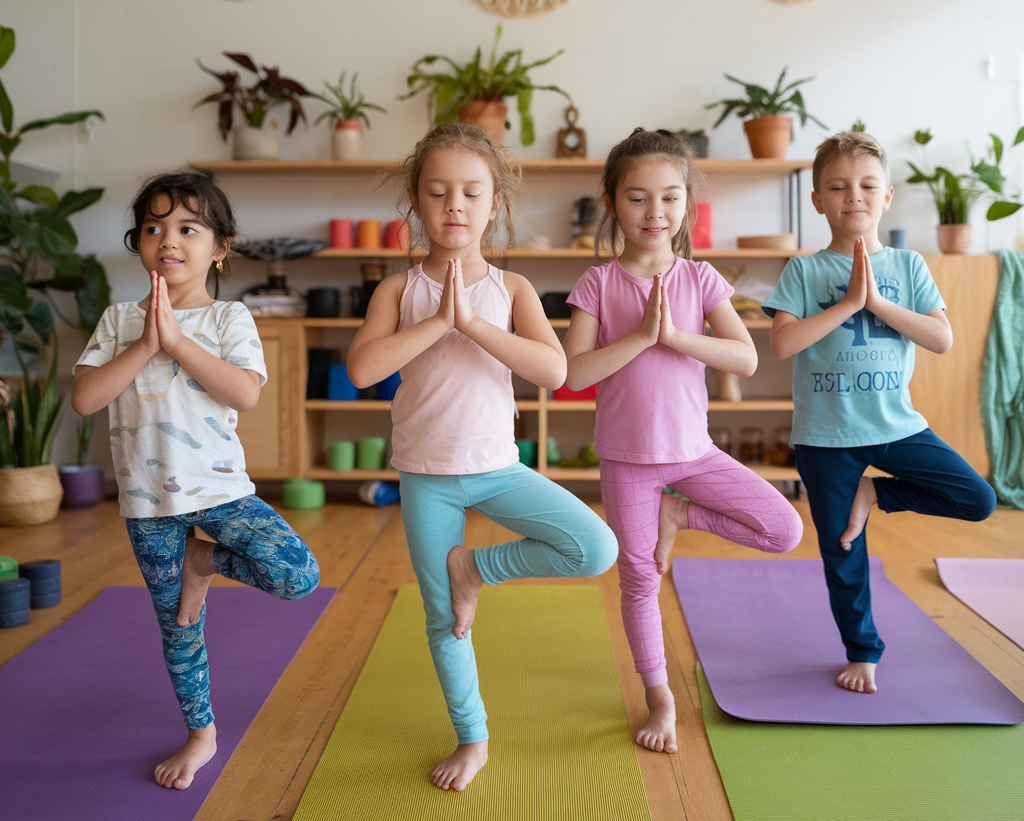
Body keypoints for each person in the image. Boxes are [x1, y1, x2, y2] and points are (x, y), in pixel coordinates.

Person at [346, 123, 617, 792]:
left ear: (493, 203)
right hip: (426, 477)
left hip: (498, 468)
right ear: (416, 203)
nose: (454, 206)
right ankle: (473, 737)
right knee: (444, 621)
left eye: (471, 192)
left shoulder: (512, 288)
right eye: (437, 193)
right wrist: (438, 320)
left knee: (595, 546)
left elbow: (555, 370)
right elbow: (361, 368)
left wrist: (471, 321)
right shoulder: (397, 290)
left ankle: (477, 569)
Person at [71, 170, 320, 790]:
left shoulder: (230, 318)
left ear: (220, 247)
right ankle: (201, 733)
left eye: (188, 227)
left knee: (297, 574)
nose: (168, 240)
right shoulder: (119, 319)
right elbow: (84, 398)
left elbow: (246, 393)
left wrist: (178, 343)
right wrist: (147, 343)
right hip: (148, 506)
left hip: (221, 493)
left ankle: (202, 561)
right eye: (153, 228)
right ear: (139, 242)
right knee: (178, 629)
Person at [563, 128, 802, 754]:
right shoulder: (596, 283)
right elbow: (570, 376)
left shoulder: (701, 279)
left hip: (695, 454)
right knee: (640, 579)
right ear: (613, 204)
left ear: (686, 205)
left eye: (669, 198)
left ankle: (682, 511)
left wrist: (674, 336)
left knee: (784, 531)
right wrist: (641, 336)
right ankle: (659, 695)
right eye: (638, 198)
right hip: (625, 461)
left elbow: (745, 358)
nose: (655, 212)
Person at [763, 132, 996, 695]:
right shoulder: (804, 270)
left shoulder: (909, 264)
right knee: (844, 551)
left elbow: (940, 338)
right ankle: (863, 649)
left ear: (887, 196)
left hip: (897, 427)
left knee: (978, 498)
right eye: (838, 188)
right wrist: (845, 302)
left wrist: (875, 302)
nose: (854, 197)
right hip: (825, 437)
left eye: (867, 186)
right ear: (817, 199)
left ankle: (876, 494)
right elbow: (783, 345)